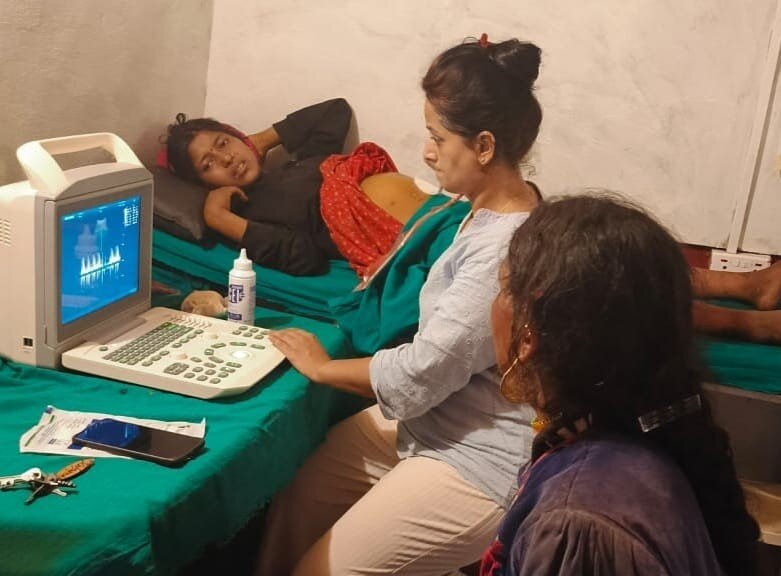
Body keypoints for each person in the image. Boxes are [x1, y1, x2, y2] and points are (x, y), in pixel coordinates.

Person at [254, 35, 543, 575]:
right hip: (432, 421)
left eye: (437, 137)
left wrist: (321, 366)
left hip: (479, 458)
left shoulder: (502, 248)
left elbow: (424, 370)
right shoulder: (474, 212)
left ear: (483, 146)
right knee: (299, 494)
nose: (427, 151)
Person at [482, 195, 759, 575]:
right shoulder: (638, 437)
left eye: (502, 289)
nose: (494, 305)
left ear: (529, 333)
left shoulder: (577, 523)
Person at [163, 98, 432, 275]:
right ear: (203, 183)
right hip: (416, 239)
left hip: (436, 212)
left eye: (223, 143)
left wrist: (261, 140)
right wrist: (220, 218)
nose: (225, 158)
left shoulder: (299, 163)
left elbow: (335, 111)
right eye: (208, 164)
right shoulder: (250, 214)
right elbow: (306, 258)